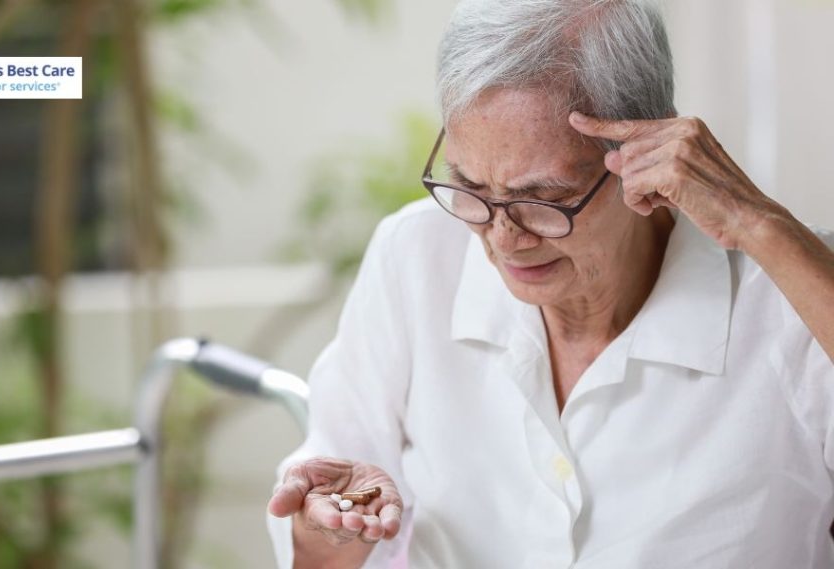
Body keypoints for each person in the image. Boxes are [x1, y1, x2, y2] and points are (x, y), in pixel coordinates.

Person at [265, 0, 834, 567]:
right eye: (469, 185)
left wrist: (761, 224)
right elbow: (323, 556)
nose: (503, 237)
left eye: (544, 199)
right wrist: (335, 532)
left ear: (651, 155)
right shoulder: (415, 258)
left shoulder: (792, 293)